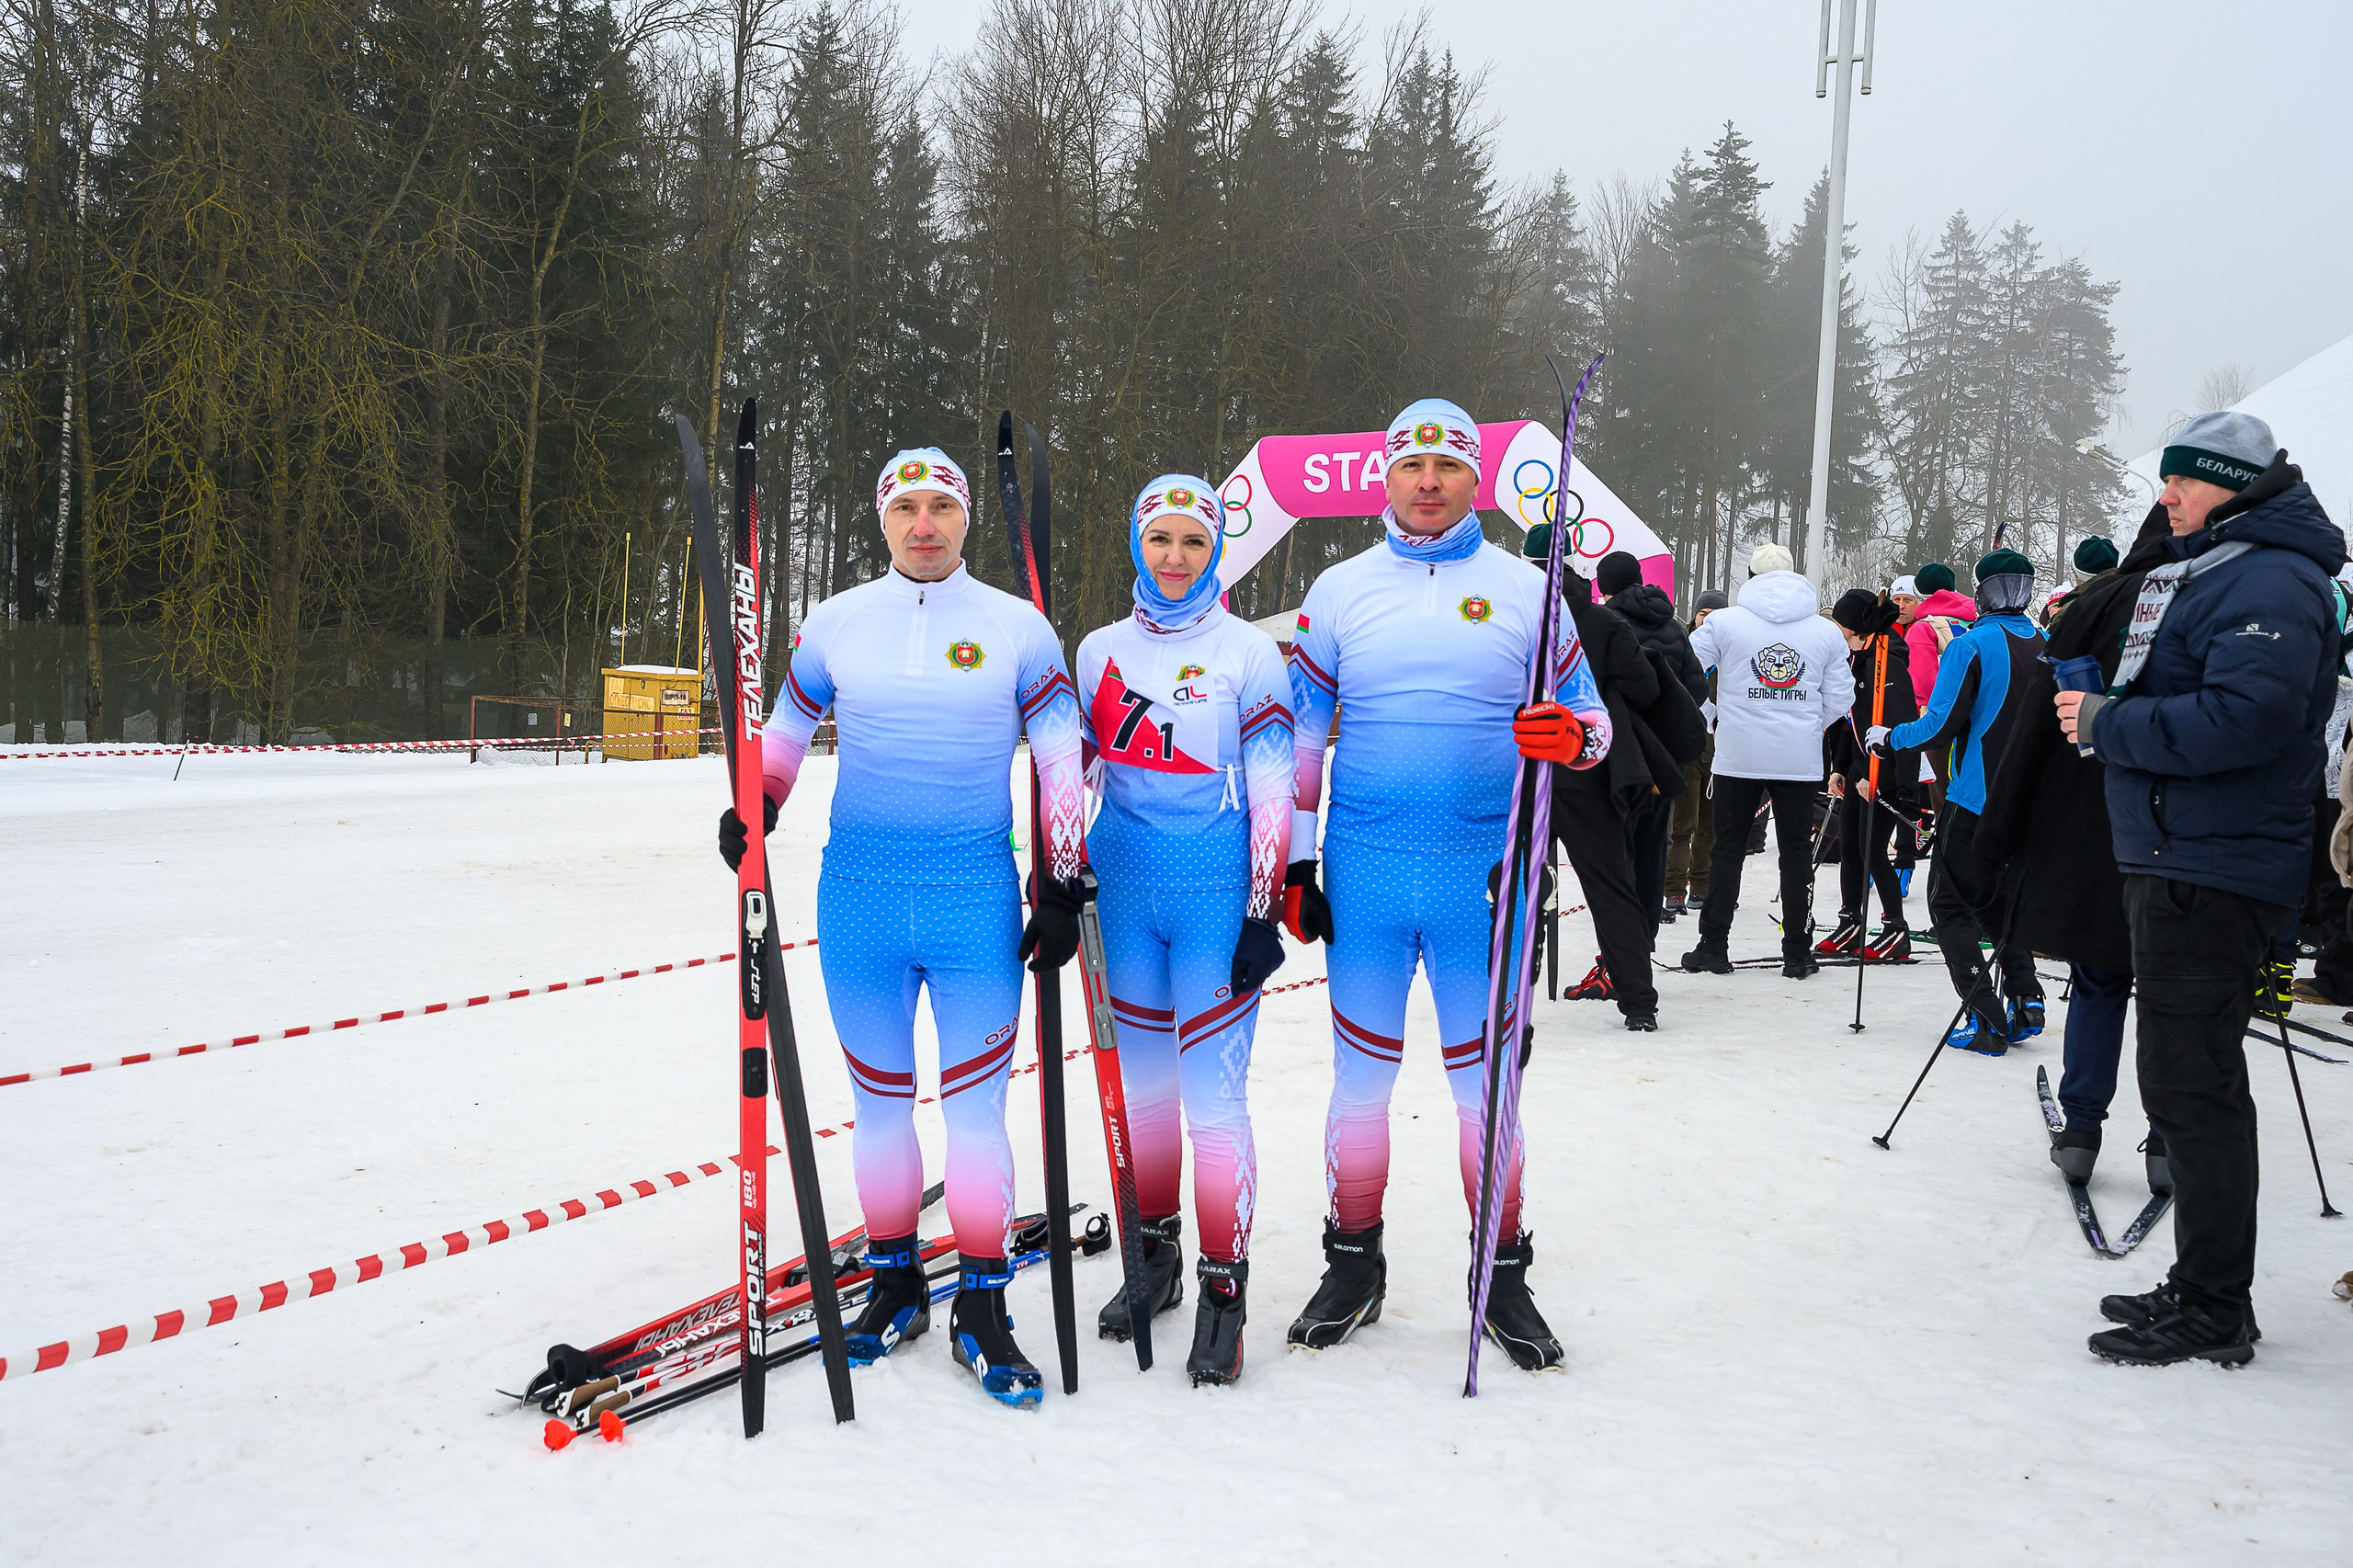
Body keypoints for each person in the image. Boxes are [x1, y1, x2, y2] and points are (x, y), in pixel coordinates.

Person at [720, 447, 1086, 1408]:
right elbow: (787, 732)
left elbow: (1058, 751)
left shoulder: (1017, 627)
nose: (924, 523)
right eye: (906, 507)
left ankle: (983, 1304)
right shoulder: (839, 622)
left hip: (974, 897)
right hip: (860, 898)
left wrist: (1059, 877)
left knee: (974, 1113)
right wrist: (756, 803)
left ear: (966, 519)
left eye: (942, 507)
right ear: (881, 519)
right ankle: (893, 1283)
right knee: (879, 1106)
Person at [1282, 397, 1610, 1369]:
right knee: (1359, 1085)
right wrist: (1297, 858)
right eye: (1413, 464)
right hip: (1367, 872)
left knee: (1486, 1091)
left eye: (1449, 466)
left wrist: (1570, 738)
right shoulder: (1339, 589)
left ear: (1479, 479)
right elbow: (1303, 732)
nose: (1429, 482)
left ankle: (1501, 1273)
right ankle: (1353, 1261)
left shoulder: (1530, 589)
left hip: (1487, 879)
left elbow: (1592, 724)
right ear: (1387, 475)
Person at [2056, 410, 2343, 1367]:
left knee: (2194, 1086)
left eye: (2184, 481)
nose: (2165, 496)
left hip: (2213, 866)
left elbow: (2247, 718)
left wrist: (2108, 723)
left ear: (2233, 482)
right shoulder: (2225, 566)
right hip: (2183, 855)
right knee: (2183, 1082)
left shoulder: (2270, 576)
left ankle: (2216, 1303)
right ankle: (2201, 1283)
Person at [1072, 474, 1294, 1386]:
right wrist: (1056, 868)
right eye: (1158, 538)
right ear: (1137, 542)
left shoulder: (1248, 653)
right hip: (1122, 892)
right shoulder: (1094, 650)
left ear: (1215, 551)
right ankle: (1154, 1261)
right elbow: (1073, 773)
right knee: (1147, 1098)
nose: (1173, 556)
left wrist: (1262, 906)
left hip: (1212, 894)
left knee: (1213, 1104)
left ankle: (1223, 1289)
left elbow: (1276, 783)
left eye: (1192, 542)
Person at [1977, 509, 2172, 1200]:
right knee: (2174, 991)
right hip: (2185, 825)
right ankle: (2165, 1137)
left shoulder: (2100, 601)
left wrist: (2000, 827)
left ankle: (2084, 1126)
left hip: (2099, 819)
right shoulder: (2228, 588)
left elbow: (2036, 724)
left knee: (2101, 976)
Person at [1876, 549, 2045, 1053]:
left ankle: (1985, 1017)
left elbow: (1940, 725)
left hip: (1975, 797)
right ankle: (2025, 996)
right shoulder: (2048, 641)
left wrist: (1889, 737)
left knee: (1949, 905)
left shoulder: (1971, 645)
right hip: (2028, 801)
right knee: (1999, 903)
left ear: (1983, 591)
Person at [1681, 543, 1854, 979]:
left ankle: (1713, 945)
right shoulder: (1825, 630)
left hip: (1738, 753)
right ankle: (1797, 951)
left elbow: (1685, 673)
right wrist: (1809, 724)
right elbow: (1840, 698)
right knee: (1796, 853)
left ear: (1753, 578)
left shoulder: (1724, 621)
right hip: (1798, 758)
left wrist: (1712, 718)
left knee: (1727, 851)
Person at [1536, 540, 1672, 1031]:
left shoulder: (1501, 620)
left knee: (1506, 883)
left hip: (1519, 766)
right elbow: (1645, 689)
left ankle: (1494, 993)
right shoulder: (1602, 622)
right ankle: (1638, 1001)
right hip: (1586, 767)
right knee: (1611, 883)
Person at [1597, 550, 1710, 934]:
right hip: (1666, 753)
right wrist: (1667, 719)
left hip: (1621, 753)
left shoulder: (1605, 624)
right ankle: (1644, 937)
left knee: (1617, 849)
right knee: (1653, 845)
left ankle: (1621, 951)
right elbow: (1697, 686)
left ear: (1603, 585)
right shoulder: (1674, 623)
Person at [1819, 589, 1919, 959]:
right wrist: (1841, 768)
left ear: (1856, 627)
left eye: (1840, 624)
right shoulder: (1858, 658)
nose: (1836, 630)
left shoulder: (1887, 661)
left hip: (1885, 772)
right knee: (1851, 847)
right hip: (1861, 769)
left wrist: (1885, 778)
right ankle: (1851, 922)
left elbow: (1899, 726)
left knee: (1873, 849)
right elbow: (1851, 721)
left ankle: (1896, 928)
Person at [1663, 588, 1728, 919]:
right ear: (1695, 616)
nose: (1708, 620)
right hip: (1686, 747)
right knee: (1680, 825)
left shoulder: (1732, 651)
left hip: (1720, 751)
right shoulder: (1679, 647)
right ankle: (1673, 889)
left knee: (1710, 827)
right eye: (1704, 614)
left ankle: (1702, 886)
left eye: (1716, 615)